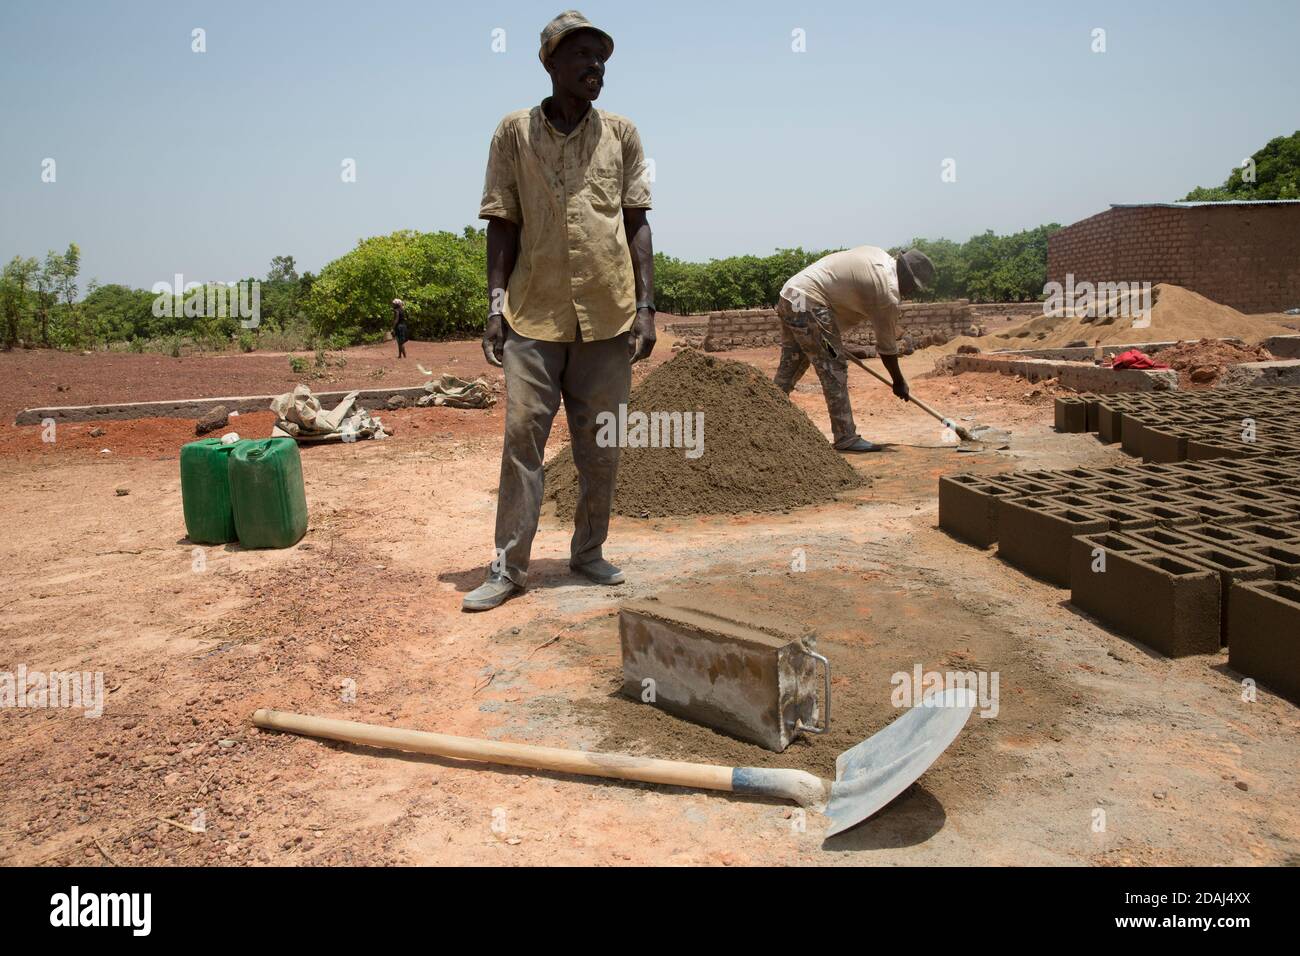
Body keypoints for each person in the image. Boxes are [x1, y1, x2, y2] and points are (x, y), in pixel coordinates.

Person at [462, 10, 655, 612]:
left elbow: (636, 223)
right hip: (533, 314)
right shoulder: (513, 133)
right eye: (581, 56)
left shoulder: (621, 134)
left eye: (601, 56)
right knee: (523, 439)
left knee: (601, 443)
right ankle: (508, 567)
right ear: (550, 63)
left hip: (608, 315)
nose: (595, 66)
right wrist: (495, 306)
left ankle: (588, 552)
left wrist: (646, 306)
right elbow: (501, 220)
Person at [775, 247, 936, 452]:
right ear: (904, 273)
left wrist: (823, 336)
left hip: (791, 296)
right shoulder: (888, 294)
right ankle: (845, 437)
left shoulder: (879, 256)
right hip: (808, 304)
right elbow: (887, 349)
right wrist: (898, 381)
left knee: (792, 364)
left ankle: (762, 418)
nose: (911, 291)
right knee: (834, 363)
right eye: (913, 285)